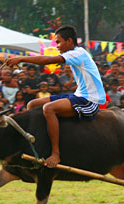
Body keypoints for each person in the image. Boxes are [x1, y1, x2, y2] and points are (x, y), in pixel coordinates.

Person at [6, 25, 106, 168]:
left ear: (70, 41)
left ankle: (55, 154)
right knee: (32, 105)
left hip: (89, 100)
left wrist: (21, 59)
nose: (57, 46)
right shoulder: (74, 53)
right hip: (78, 95)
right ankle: (35, 145)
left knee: (49, 109)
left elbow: (47, 60)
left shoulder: (78, 53)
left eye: (58, 42)